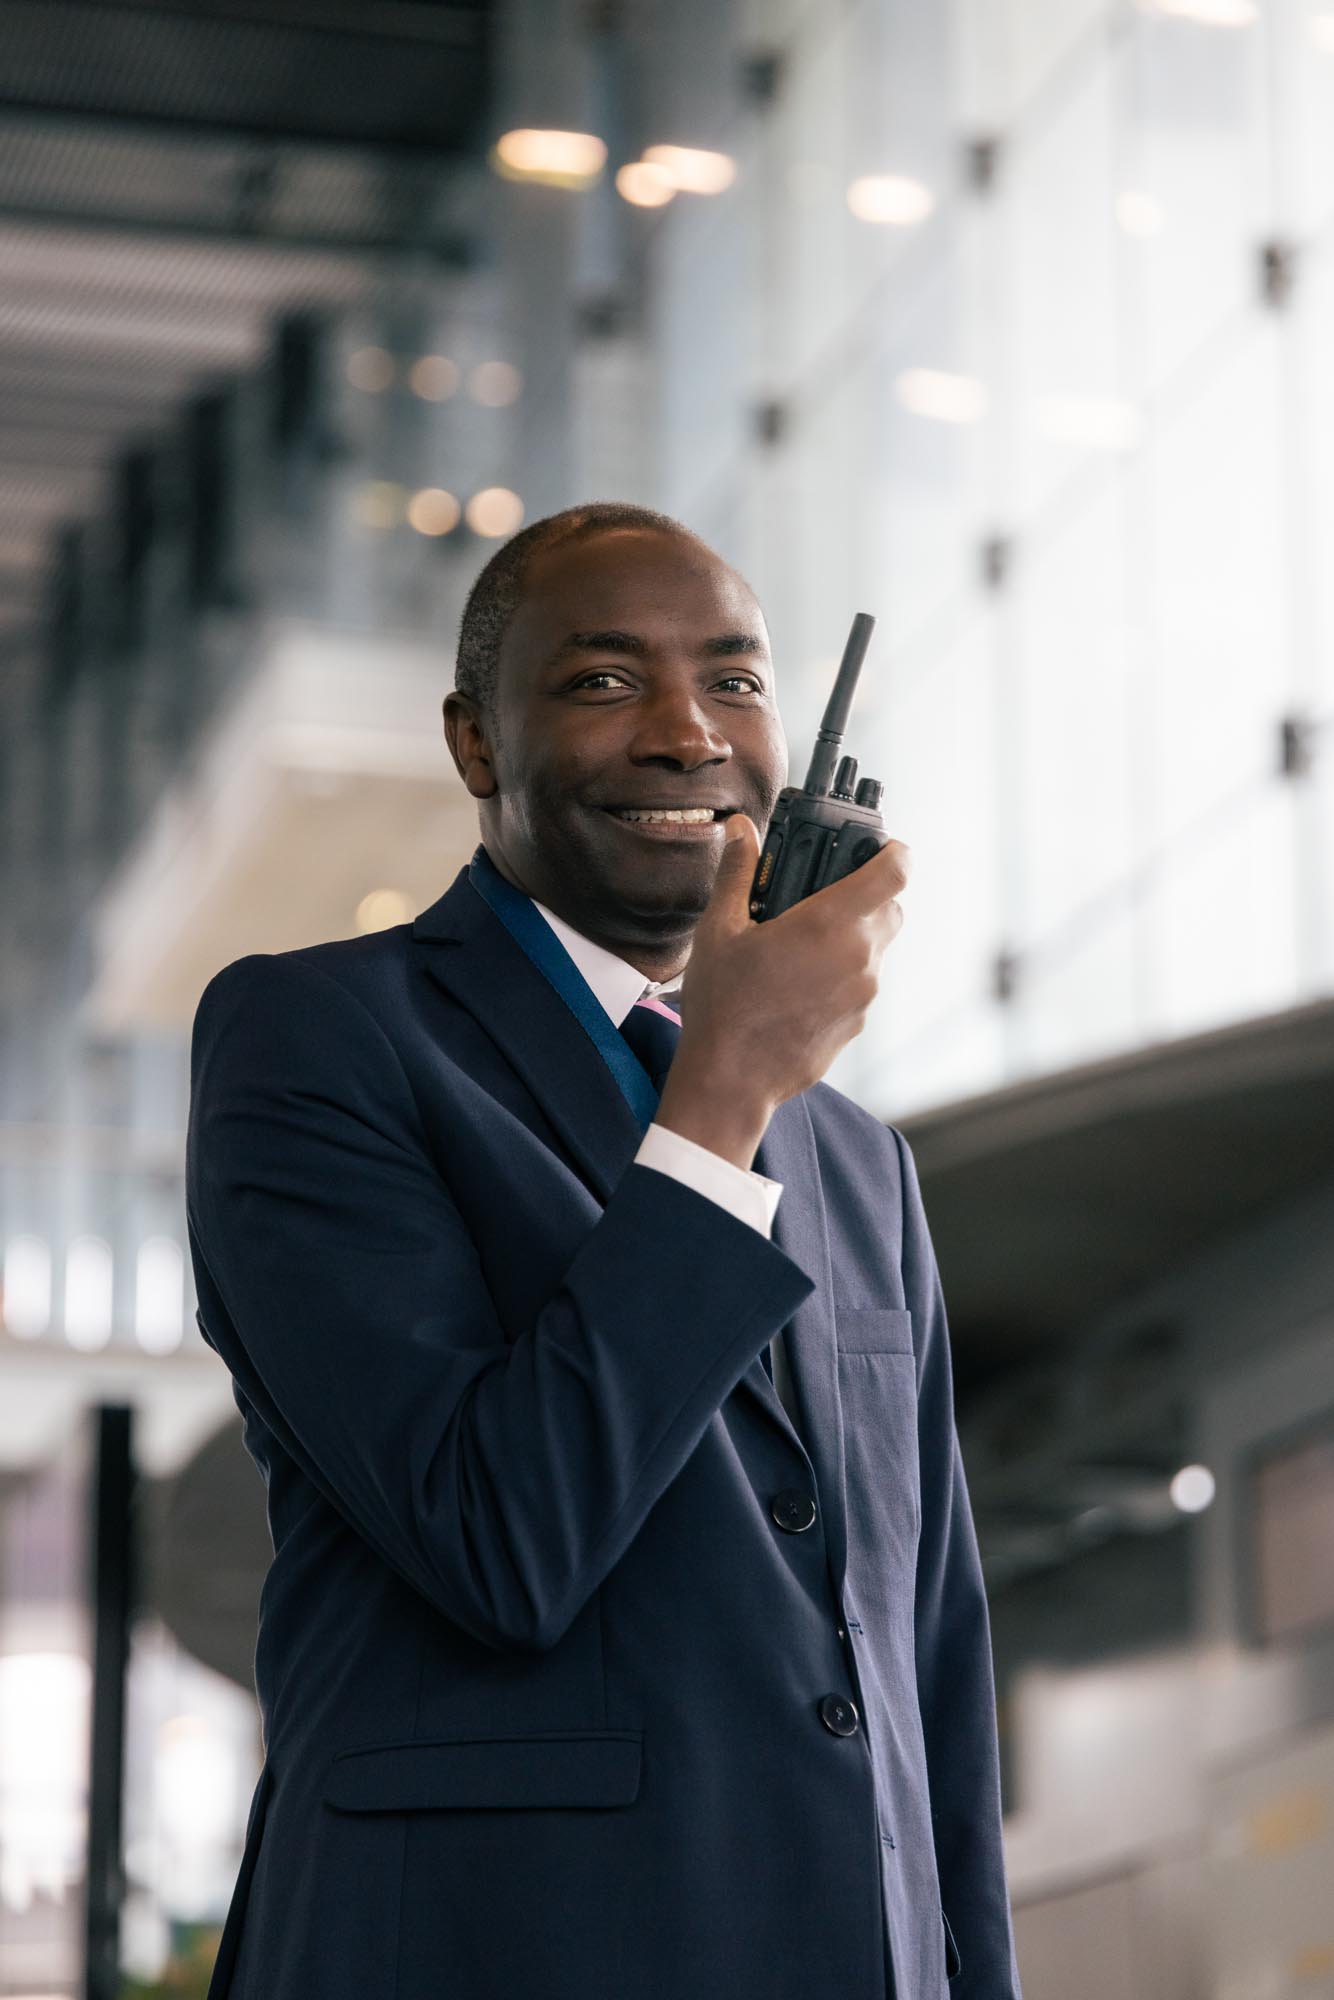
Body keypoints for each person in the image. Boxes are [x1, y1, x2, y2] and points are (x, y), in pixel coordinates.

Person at [185, 502, 1022, 2000]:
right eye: (600, 681)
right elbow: (499, 1539)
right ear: (474, 745)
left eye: (736, 680)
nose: (687, 733)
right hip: (496, 1949)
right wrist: (719, 1096)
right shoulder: (319, 1041)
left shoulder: (857, 1162)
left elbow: (926, 1666)